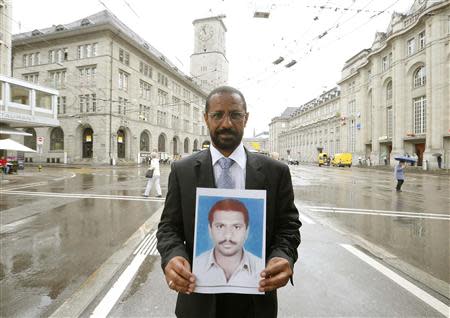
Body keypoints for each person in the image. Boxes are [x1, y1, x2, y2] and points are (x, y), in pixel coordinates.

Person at [156, 86, 301, 318]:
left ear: (246, 118)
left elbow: (288, 226)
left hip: (255, 303)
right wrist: (173, 256)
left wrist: (283, 256)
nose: (226, 123)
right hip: (197, 301)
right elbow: (168, 227)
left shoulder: (276, 172)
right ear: (206, 118)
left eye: (235, 115)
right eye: (217, 115)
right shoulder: (182, 171)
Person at [194, 198, 263, 289]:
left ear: (247, 231)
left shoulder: (261, 269)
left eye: (236, 227)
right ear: (210, 230)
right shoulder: (196, 267)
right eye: (220, 226)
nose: (228, 236)